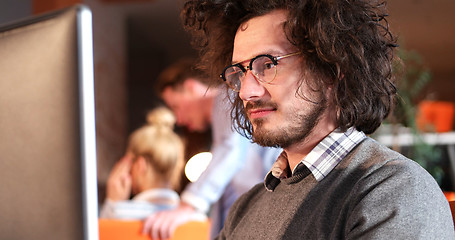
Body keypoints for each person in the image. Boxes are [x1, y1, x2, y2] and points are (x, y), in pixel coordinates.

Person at [177, 0, 455, 239]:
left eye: (268, 64)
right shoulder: (246, 208)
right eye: (240, 72)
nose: (247, 92)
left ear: (333, 68)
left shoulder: (395, 192)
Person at [142, 59, 281, 238]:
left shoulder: (228, 96)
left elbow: (230, 152)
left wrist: (188, 205)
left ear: (191, 87)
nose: (178, 119)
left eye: (176, 107)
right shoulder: (220, 121)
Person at [99, 107, 187, 220]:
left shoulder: (118, 215)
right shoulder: (194, 217)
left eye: (131, 163)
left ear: (140, 165)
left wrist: (111, 204)